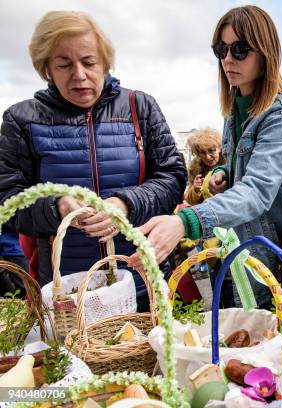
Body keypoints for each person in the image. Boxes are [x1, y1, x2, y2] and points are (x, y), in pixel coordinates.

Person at [0, 11, 186, 311]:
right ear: (46, 67)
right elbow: (7, 202)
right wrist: (56, 207)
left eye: (89, 62)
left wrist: (126, 204)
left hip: (143, 285)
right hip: (69, 296)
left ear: (105, 62)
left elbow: (173, 177)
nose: (79, 75)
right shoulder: (21, 120)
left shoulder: (140, 107)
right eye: (63, 65)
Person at [129, 5, 282, 307]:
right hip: (237, 241)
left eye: (240, 49)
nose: (227, 59)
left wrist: (186, 221)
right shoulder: (236, 107)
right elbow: (241, 171)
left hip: (271, 249)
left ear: (267, 53)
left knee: (264, 341)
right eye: (221, 49)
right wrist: (224, 174)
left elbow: (257, 192)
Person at [184, 128, 225, 205]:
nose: (208, 157)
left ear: (219, 148)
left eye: (211, 150)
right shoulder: (195, 169)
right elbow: (188, 200)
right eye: (203, 152)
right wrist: (195, 189)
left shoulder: (229, 163)